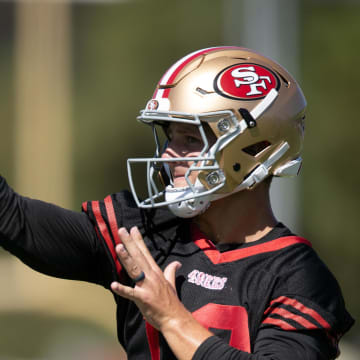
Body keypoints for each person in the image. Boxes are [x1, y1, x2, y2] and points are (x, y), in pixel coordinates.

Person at [0, 46, 354, 359]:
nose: (170, 155)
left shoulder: (299, 278)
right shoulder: (147, 232)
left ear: (251, 148)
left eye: (188, 138)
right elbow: (15, 220)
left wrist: (172, 318)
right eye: (169, 136)